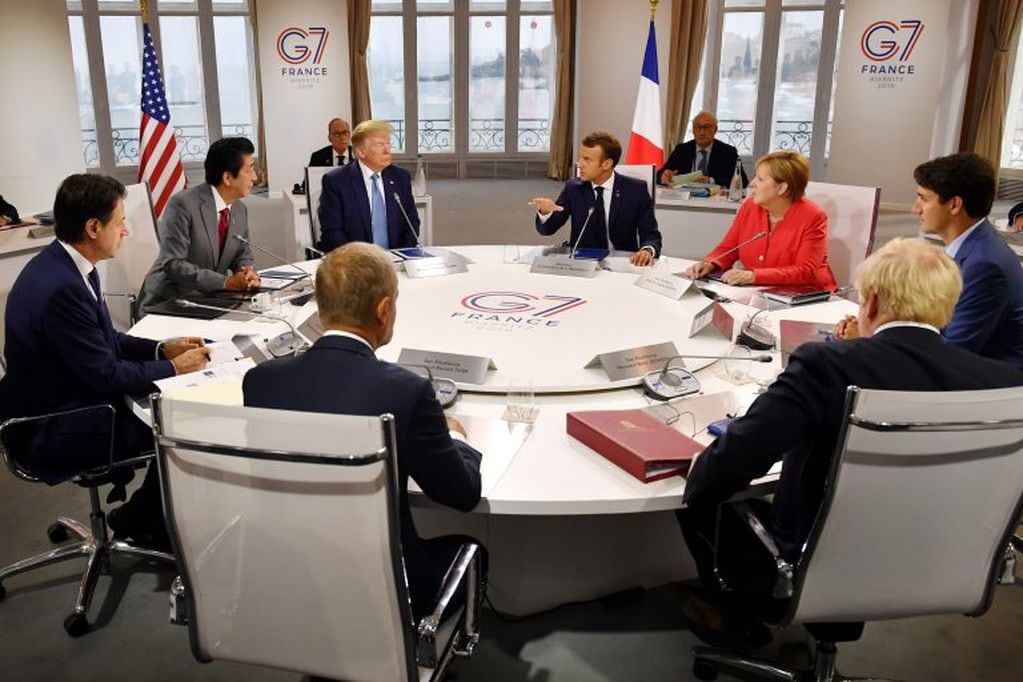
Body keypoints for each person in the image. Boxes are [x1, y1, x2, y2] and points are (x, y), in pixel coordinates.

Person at [678, 237, 1023, 640]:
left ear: (871, 303)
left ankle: (737, 617)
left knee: (701, 485)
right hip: (938, 561)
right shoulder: (1004, 384)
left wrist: (699, 477)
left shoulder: (826, 366)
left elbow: (737, 457)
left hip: (814, 560)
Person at [242, 242, 483, 619]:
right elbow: (463, 494)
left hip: (292, 575)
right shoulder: (406, 392)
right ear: (384, 309)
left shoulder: (260, 382)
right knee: (471, 549)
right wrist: (455, 435)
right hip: (387, 593)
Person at [0, 174, 211, 542]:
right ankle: (144, 521)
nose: (126, 231)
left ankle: (139, 514)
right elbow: (107, 375)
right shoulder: (62, 287)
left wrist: (162, 349)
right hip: (54, 425)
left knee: (167, 407)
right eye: (121, 222)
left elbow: (105, 340)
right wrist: (176, 368)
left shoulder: (65, 264)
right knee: (183, 424)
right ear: (94, 227)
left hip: (65, 398)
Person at [834, 153, 1023, 369]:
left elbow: (950, 353)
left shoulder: (985, 265)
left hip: (984, 389)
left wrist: (870, 338)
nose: (915, 208)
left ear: (954, 205)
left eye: (923, 198)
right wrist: (875, 326)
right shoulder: (975, 247)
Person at [684, 150, 837, 290]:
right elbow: (729, 247)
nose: (752, 184)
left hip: (807, 297)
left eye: (760, 179)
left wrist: (753, 276)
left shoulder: (813, 216)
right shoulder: (750, 206)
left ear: (782, 188)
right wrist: (710, 264)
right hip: (759, 293)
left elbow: (804, 271)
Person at [139, 136, 261, 311]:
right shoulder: (183, 204)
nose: (255, 177)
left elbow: (242, 253)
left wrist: (247, 274)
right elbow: (173, 264)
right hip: (170, 301)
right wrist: (226, 282)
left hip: (209, 300)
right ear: (227, 177)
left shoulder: (239, 209)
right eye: (250, 169)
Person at [529, 131, 662, 267]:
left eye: (587, 159)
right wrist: (545, 213)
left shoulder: (635, 190)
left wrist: (646, 250)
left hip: (622, 263)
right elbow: (548, 229)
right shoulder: (573, 188)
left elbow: (651, 234)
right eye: (581, 158)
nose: (579, 164)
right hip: (582, 263)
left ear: (607, 164)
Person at [317, 119, 420, 253]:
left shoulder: (400, 177)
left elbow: (412, 221)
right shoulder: (336, 182)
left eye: (388, 144)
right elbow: (333, 232)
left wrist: (401, 255)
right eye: (380, 145)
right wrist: (362, 261)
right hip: (354, 261)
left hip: (396, 259)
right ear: (361, 152)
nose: (387, 150)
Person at [658, 111, 748, 188]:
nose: (702, 132)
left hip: (714, 201)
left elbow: (743, 181)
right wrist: (664, 175)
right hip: (685, 198)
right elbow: (659, 174)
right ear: (693, 130)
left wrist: (710, 181)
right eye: (698, 127)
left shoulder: (728, 152)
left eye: (706, 127)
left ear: (715, 130)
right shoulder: (682, 150)